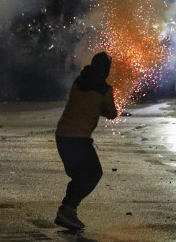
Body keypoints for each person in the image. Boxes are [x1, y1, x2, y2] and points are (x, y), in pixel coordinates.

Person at [54, 52, 118, 230]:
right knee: (93, 174)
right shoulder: (104, 89)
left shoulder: (79, 81)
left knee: (80, 175)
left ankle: (68, 210)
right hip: (79, 139)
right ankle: (67, 209)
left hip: (62, 136)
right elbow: (111, 113)